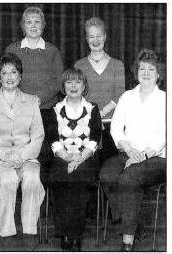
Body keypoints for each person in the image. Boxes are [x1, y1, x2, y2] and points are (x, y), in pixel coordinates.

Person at [0, 52, 45, 251]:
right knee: (9, 179)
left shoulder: (32, 101)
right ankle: (7, 232)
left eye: (13, 72)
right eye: (4, 73)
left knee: (32, 177)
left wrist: (21, 156)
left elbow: (38, 136)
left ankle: (30, 230)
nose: (9, 77)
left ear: (20, 76)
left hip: (26, 158)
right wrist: (4, 156)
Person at [99, 49, 166, 252]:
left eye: (151, 69)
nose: (145, 72)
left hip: (157, 158)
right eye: (142, 68)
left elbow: (164, 135)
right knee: (107, 175)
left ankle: (127, 242)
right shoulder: (127, 96)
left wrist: (142, 155)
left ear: (159, 74)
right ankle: (135, 224)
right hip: (128, 152)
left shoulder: (165, 99)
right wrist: (127, 148)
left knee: (128, 178)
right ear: (136, 72)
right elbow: (116, 127)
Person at [46, 68, 102, 251]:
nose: (73, 86)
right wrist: (67, 157)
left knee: (78, 181)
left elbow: (95, 139)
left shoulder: (92, 108)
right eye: (69, 82)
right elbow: (53, 139)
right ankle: (64, 234)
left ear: (84, 86)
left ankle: (76, 235)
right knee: (60, 179)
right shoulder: (55, 109)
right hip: (62, 156)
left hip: (85, 157)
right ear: (63, 86)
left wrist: (79, 158)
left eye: (77, 82)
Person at [75, 17, 125, 163]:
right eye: (91, 36)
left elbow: (120, 94)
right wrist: (94, 118)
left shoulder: (117, 65)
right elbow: (78, 95)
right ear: (86, 39)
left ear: (104, 37)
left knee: (109, 174)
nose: (95, 40)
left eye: (98, 36)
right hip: (86, 125)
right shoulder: (79, 65)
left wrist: (100, 114)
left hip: (112, 125)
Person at [5, 6, 63, 110]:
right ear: (23, 26)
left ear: (43, 25)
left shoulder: (53, 51)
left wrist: (39, 99)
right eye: (29, 22)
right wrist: (23, 100)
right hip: (18, 107)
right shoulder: (12, 50)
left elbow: (58, 81)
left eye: (37, 21)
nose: (33, 25)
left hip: (47, 108)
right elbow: (5, 78)